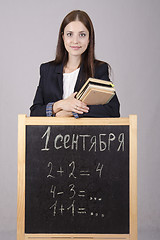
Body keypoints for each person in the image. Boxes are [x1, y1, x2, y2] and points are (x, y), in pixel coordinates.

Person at [30, 10, 120, 118]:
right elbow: (35, 112)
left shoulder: (99, 69)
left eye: (82, 35)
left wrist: (71, 112)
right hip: (51, 135)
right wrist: (60, 104)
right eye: (70, 34)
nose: (75, 41)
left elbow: (113, 110)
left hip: (85, 134)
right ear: (63, 38)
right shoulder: (47, 70)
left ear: (89, 39)